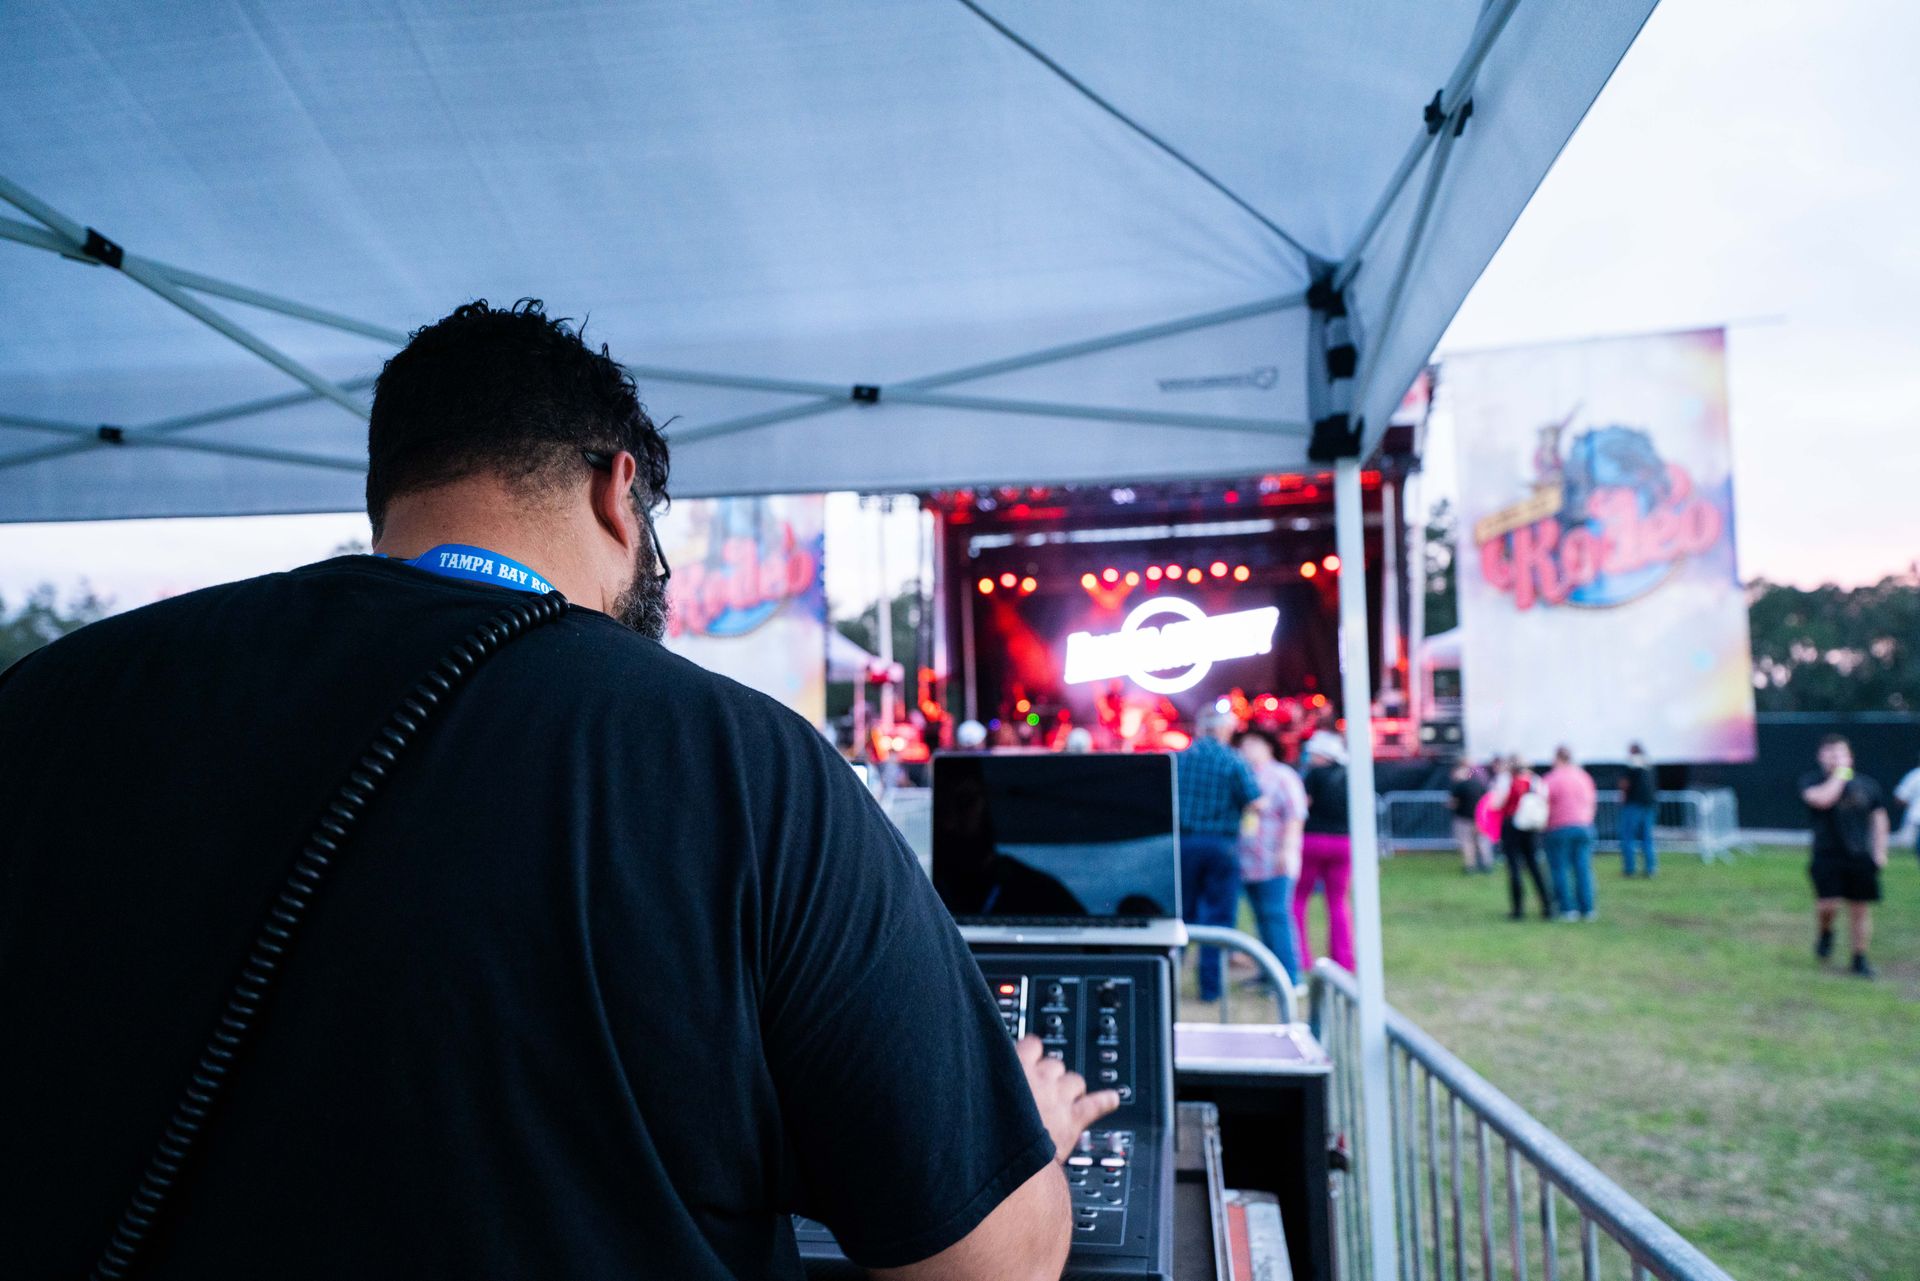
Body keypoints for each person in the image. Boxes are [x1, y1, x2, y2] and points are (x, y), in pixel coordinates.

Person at [0, 301, 1115, 1280]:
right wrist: (1027, 1134)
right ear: (617, 489)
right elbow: (985, 1262)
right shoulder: (739, 763)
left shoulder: (48, 701)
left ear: (393, 490)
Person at [1178, 706, 1261, 1002]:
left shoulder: (1181, 759)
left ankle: (1168, 980)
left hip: (1184, 845)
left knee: (1180, 916)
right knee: (1218, 919)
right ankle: (1210, 989)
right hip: (1221, 846)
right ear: (1225, 729)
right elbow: (1256, 801)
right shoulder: (1232, 761)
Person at [1800, 734, 1891, 979]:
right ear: (1821, 757)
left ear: (1850, 757)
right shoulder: (1811, 781)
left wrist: (1880, 851)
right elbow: (1823, 800)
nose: (1834, 758)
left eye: (1839, 753)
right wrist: (1839, 776)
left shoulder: (1868, 785)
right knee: (1827, 905)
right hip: (1826, 855)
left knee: (1860, 909)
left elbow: (1879, 819)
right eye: (1829, 753)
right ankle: (1826, 932)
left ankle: (1859, 958)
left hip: (1860, 856)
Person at [1234, 728, 1306, 983]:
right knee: (1262, 919)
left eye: (1253, 742)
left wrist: (1286, 850)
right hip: (1248, 861)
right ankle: (1268, 974)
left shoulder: (1282, 776)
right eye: (1244, 744)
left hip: (1274, 860)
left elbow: (1295, 815)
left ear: (1268, 746)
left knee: (1276, 917)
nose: (1247, 748)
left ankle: (1289, 977)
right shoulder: (1243, 776)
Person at [1292, 731, 1357, 972]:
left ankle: (1300, 957)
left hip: (1312, 841)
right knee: (1338, 902)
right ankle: (1344, 960)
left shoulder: (1313, 775)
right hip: (1343, 843)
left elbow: (1302, 805)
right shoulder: (1349, 777)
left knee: (1298, 899)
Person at [1490, 754, 1553, 920]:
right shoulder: (1536, 781)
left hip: (1512, 826)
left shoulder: (1506, 781)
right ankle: (1547, 907)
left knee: (1514, 867)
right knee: (1535, 866)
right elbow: (1544, 801)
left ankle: (1518, 910)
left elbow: (1496, 803)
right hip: (1531, 827)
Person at [1542, 746, 1599, 922]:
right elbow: (1592, 801)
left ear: (1557, 759)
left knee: (1560, 869)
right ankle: (1588, 908)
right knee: (1583, 868)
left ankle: (1567, 908)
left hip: (1558, 828)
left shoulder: (1551, 779)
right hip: (1584, 826)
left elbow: (1542, 803)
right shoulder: (1584, 777)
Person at [1617, 741, 1658, 877]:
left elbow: (1625, 783)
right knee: (1647, 838)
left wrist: (1622, 796)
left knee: (1628, 837)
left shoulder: (1631, 764)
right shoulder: (1649, 764)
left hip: (1633, 804)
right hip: (1649, 805)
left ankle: (1630, 869)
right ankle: (1650, 868)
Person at [1447, 759, 1493, 874]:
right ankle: (1486, 865)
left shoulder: (1459, 786)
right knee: (1483, 842)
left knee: (1467, 843)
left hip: (1464, 819)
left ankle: (1470, 866)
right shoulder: (1480, 785)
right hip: (1480, 819)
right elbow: (1488, 801)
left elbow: (1453, 802)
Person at [1892, 750, 1920, 866]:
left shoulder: (1915, 775)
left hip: (1915, 817)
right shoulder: (1916, 775)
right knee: (1905, 845)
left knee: (1905, 844)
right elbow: (1900, 797)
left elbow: (1900, 798)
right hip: (1916, 820)